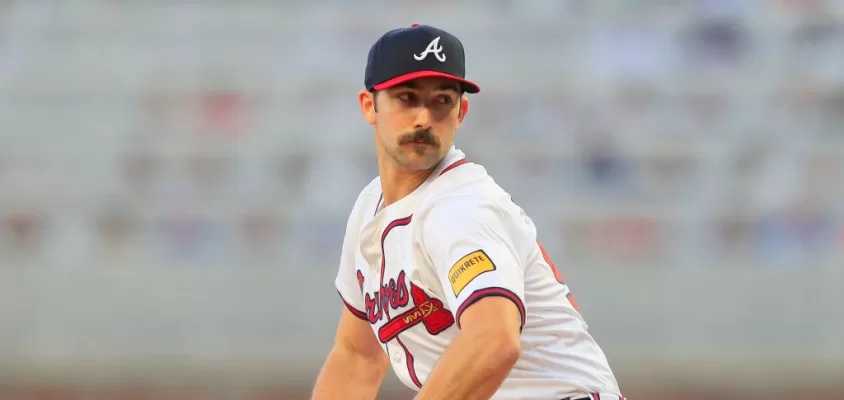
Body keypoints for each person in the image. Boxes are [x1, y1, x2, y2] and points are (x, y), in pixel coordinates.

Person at [312, 24, 623, 400]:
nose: (424, 117)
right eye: (407, 98)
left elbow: (494, 340)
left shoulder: (460, 208)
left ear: (461, 112)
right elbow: (357, 357)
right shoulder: (369, 209)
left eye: (442, 100)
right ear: (369, 106)